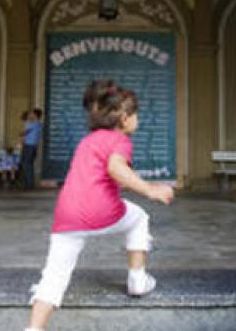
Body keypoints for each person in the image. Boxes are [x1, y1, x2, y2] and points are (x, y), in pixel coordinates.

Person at [25, 80, 174, 331]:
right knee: (138, 217)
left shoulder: (89, 140)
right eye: (136, 114)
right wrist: (150, 189)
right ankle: (137, 279)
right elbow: (115, 168)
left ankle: (34, 328)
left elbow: (98, 175)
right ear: (125, 119)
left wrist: (126, 182)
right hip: (101, 211)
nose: (138, 119)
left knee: (52, 279)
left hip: (66, 216)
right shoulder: (120, 141)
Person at [20, 108, 43, 190]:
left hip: (29, 146)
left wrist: (22, 134)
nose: (30, 115)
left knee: (26, 165)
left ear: (36, 115)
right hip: (34, 146)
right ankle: (29, 183)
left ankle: (29, 184)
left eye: (32, 114)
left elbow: (23, 132)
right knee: (29, 165)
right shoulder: (39, 124)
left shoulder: (33, 124)